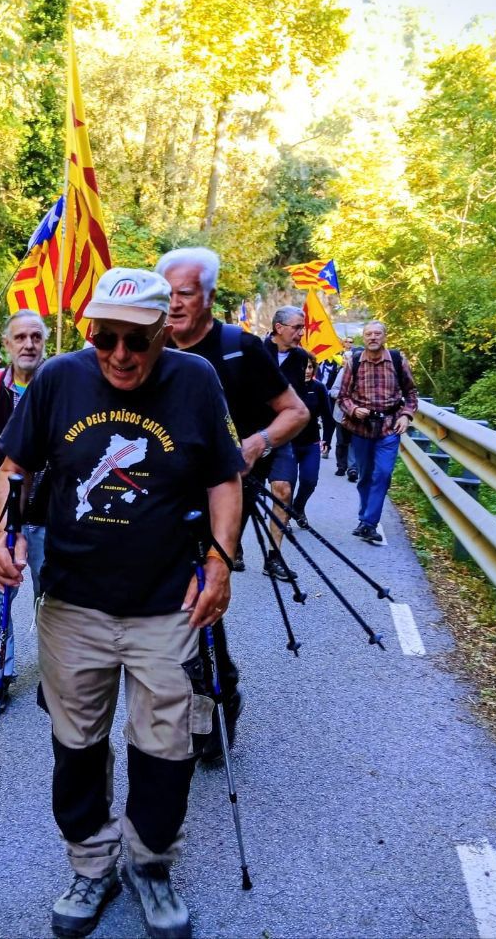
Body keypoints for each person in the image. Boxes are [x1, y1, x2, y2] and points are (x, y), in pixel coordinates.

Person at [0, 267, 243, 939]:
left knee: (166, 745)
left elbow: (223, 478)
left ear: (164, 330)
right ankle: (92, 863)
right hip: (72, 601)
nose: (120, 354)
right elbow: (13, 469)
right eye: (105, 337)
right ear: (88, 330)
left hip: (168, 602)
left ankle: (151, 864)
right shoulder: (59, 379)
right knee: (76, 743)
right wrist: (0, 535)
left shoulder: (195, 381)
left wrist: (220, 561)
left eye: (137, 340)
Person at [157, 246, 307, 766]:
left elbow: (296, 412)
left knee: (193, 600)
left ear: (209, 296)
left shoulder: (239, 348)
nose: (174, 304)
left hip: (223, 495)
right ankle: (195, 689)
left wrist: (254, 445)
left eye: (186, 294)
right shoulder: (151, 344)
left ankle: (215, 698)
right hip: (159, 496)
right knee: (169, 603)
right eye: (168, 293)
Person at [0, 308, 50, 713]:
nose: (28, 344)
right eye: (20, 337)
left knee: (50, 599)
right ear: (6, 344)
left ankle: (57, 671)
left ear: (44, 342)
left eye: (36, 336)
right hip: (2, 514)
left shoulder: (59, 386)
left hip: (49, 515)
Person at [336, 320, 418, 544]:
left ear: (384, 336)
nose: (373, 337)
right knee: (365, 476)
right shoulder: (353, 362)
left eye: (377, 333)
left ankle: (369, 523)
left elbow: (411, 393)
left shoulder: (398, 360)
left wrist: (406, 415)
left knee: (382, 473)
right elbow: (342, 397)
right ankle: (365, 519)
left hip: (389, 426)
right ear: (364, 337)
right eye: (368, 334)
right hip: (361, 428)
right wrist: (354, 409)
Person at [263, 305, 312, 550]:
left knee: (283, 491)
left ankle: (274, 556)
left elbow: (298, 399)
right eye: (296, 328)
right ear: (278, 328)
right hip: (250, 435)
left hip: (282, 436)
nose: (300, 333)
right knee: (241, 498)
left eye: (302, 328)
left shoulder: (302, 358)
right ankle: (235, 550)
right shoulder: (256, 352)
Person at [291, 357, 325, 528]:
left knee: (309, 481)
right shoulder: (285, 387)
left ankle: (298, 507)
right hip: (288, 443)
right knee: (285, 483)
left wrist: (326, 438)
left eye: (310, 367)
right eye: (303, 367)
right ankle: (283, 516)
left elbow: (327, 415)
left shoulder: (318, 388)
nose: (307, 370)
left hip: (311, 442)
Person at [330, 336, 356, 481]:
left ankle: (352, 469)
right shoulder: (342, 373)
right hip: (341, 413)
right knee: (341, 441)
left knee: (354, 442)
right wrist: (345, 397)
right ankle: (341, 466)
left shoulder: (362, 373)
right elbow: (333, 391)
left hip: (356, 415)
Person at [317, 353, 342, 460]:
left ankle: (328, 447)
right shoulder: (320, 361)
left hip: (332, 397)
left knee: (331, 423)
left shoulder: (339, 363)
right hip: (319, 393)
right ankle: (322, 447)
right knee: (324, 423)